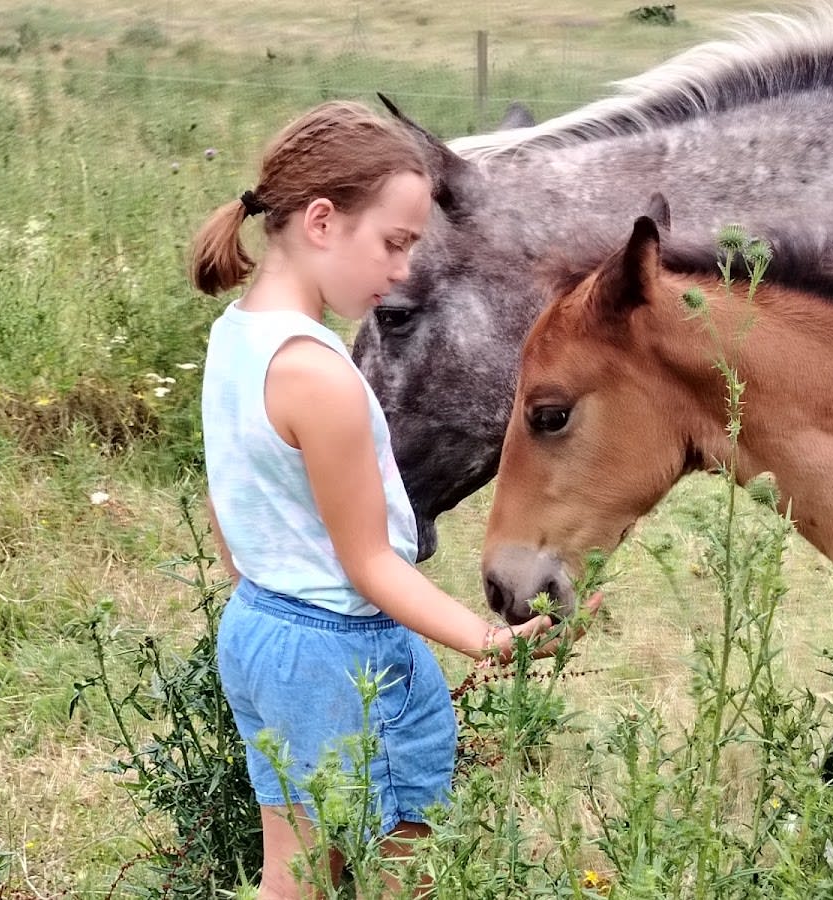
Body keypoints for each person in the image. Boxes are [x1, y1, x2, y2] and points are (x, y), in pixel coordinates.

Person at [189, 100, 601, 898]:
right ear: (320, 222)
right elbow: (370, 559)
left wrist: (263, 599)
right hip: (328, 647)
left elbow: (225, 501)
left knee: (395, 838)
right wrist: (486, 641)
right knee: (305, 879)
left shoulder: (235, 335)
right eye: (394, 242)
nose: (404, 268)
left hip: (281, 628)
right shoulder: (319, 375)